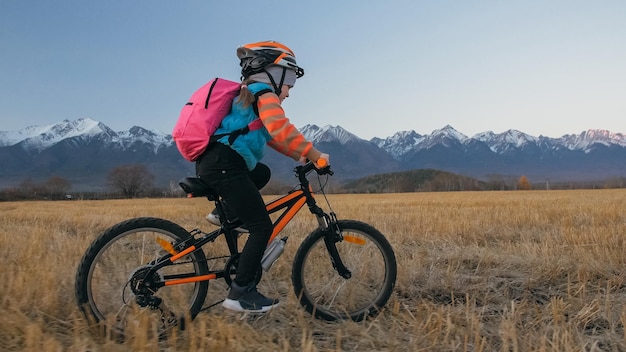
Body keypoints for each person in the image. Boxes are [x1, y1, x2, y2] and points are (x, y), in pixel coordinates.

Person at [195, 41, 329, 313]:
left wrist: (297, 156)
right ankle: (241, 292)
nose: (290, 90)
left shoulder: (249, 96)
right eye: (289, 79)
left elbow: (271, 137)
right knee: (261, 227)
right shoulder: (263, 93)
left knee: (262, 172)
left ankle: (225, 215)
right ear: (272, 73)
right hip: (225, 165)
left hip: (219, 162)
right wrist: (315, 154)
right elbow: (281, 127)